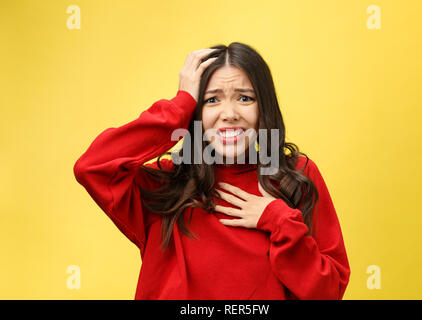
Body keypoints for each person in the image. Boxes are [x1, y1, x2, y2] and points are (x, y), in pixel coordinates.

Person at [73, 42, 351, 300]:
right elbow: (93, 167)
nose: (229, 113)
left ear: (263, 106)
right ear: (195, 112)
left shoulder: (294, 177)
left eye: (244, 98)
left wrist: (276, 218)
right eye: (212, 100)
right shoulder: (165, 184)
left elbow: (328, 291)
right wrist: (179, 107)